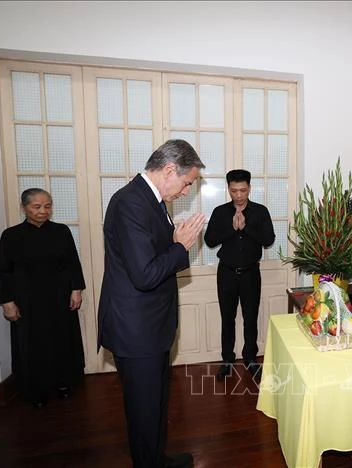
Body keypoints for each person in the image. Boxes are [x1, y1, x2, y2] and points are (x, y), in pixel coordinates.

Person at [98, 139, 206, 468]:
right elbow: (145, 274)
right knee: (144, 411)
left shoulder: (152, 200)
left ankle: (157, 458)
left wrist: (173, 242)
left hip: (152, 326)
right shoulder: (130, 202)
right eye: (187, 183)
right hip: (137, 328)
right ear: (170, 169)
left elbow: (153, 255)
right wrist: (181, 246)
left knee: (156, 404)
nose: (187, 192)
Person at [0, 188, 86, 409]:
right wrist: (7, 302)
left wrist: (76, 290)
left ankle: (64, 383)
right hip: (27, 302)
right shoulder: (11, 235)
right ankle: (35, 389)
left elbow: (72, 263)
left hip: (59, 299)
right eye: (37, 207)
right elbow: (4, 271)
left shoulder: (61, 231)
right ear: (24, 207)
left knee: (62, 341)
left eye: (47, 206)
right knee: (32, 345)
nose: (43, 211)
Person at [204, 169, 275, 382]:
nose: (238, 195)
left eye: (243, 190)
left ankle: (251, 359)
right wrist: (232, 229)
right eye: (234, 190)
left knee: (250, 317)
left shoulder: (260, 211)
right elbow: (210, 240)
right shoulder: (219, 212)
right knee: (228, 318)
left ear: (249, 188)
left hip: (251, 273)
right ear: (228, 189)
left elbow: (268, 239)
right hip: (226, 273)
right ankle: (227, 361)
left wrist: (246, 228)